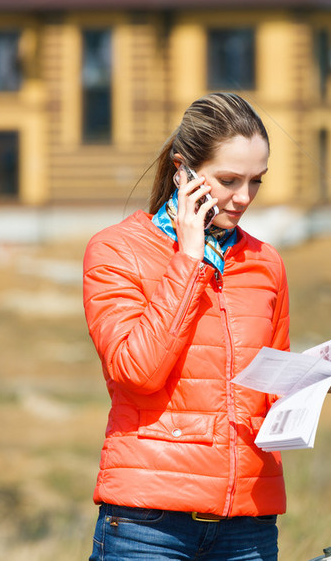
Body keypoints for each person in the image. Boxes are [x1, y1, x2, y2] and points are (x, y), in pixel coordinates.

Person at [83, 92, 289, 560]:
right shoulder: (116, 252)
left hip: (248, 524)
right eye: (229, 180)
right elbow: (137, 371)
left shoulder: (266, 264)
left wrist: (306, 386)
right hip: (148, 525)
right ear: (184, 171)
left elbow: (267, 392)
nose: (244, 197)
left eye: (256, 181)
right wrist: (189, 260)